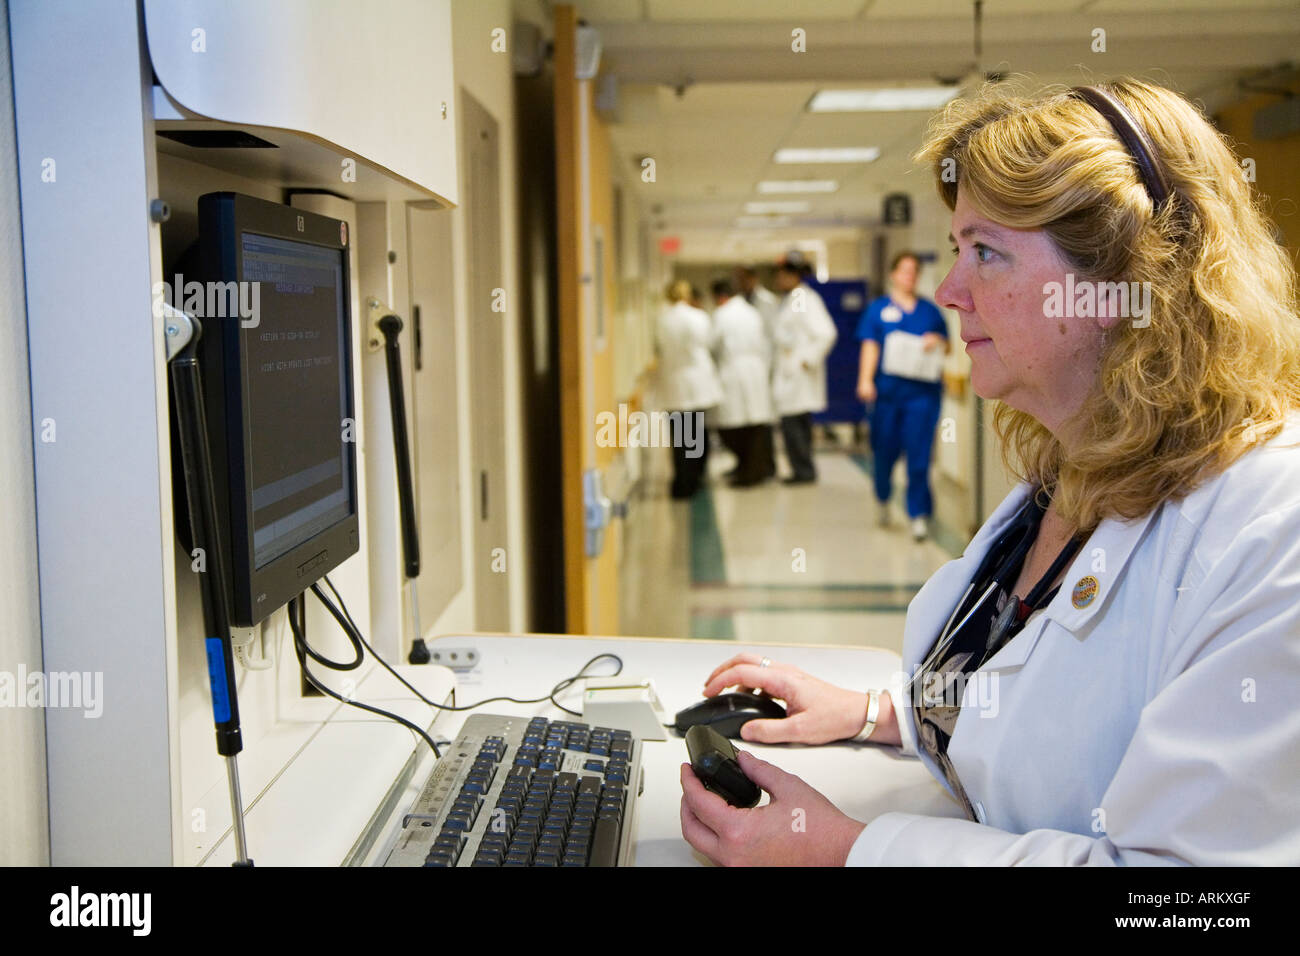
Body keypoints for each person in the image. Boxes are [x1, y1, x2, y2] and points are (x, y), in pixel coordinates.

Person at [679, 79, 1300, 865]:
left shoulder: (1270, 529)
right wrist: (880, 713)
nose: (949, 291)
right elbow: (1030, 687)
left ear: (1119, 284)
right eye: (954, 251)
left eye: (987, 253)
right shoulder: (1070, 472)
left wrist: (850, 854)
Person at [857, 251, 952, 540]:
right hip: (887, 394)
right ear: (893, 275)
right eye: (904, 270)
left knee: (919, 457)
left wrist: (938, 341)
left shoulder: (930, 312)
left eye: (914, 271)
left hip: (921, 396)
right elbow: (870, 345)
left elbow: (948, 347)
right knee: (884, 453)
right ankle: (883, 498)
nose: (909, 276)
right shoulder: (878, 310)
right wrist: (864, 380)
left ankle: (918, 514)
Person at [770, 260, 838, 484]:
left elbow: (826, 333)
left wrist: (806, 360)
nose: (778, 280)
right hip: (790, 373)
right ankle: (801, 470)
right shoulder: (791, 299)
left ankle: (804, 471)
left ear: (793, 276)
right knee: (794, 426)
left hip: (798, 374)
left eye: (781, 275)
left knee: (795, 427)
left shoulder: (803, 299)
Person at [655, 279, 722, 499]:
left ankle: (681, 482)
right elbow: (708, 343)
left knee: (680, 437)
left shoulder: (662, 319)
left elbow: (660, 347)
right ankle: (694, 479)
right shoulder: (698, 317)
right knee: (696, 434)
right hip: (696, 382)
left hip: (674, 382)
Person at [707, 279, 774, 487]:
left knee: (732, 427)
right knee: (754, 425)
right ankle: (752, 469)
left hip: (733, 370)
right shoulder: (752, 312)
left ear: (720, 297)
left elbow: (712, 344)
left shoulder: (722, 314)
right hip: (756, 370)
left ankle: (748, 472)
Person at [733, 265, 780, 480]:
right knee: (751, 419)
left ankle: (768, 466)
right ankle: (750, 464)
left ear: (754, 278)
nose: (741, 283)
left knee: (763, 421)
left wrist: (770, 367)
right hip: (752, 369)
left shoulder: (768, 302)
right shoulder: (741, 301)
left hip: (764, 366)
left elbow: (772, 336)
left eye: (744, 278)